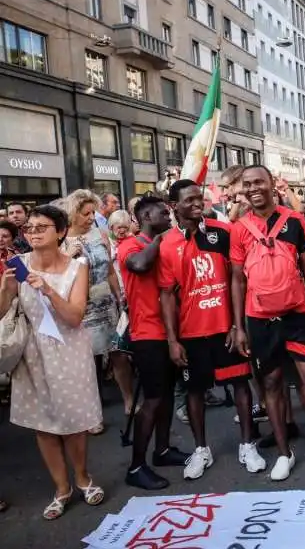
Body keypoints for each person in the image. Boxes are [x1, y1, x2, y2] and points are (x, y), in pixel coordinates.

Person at [231, 165, 305, 481]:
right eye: (248, 184)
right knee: (270, 383)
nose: (254, 188)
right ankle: (284, 453)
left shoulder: (295, 221)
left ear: (272, 184)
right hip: (259, 318)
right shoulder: (239, 228)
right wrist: (239, 326)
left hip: (297, 313)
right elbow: (237, 280)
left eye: (259, 182)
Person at [0, 205, 104, 520]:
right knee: (43, 424)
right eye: (28, 228)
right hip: (32, 353)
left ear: (59, 232)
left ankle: (83, 478)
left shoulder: (77, 266)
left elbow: (74, 317)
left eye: (41, 227)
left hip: (69, 350)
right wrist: (6, 289)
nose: (32, 233)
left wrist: (46, 289)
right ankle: (62, 489)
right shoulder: (16, 264)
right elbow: (2, 312)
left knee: (74, 421)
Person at [160, 179, 265, 480]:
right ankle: (201, 449)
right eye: (189, 200)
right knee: (195, 391)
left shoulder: (222, 232)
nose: (197, 203)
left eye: (199, 198)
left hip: (226, 329)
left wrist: (237, 324)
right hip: (191, 332)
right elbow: (166, 294)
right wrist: (172, 340)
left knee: (241, 385)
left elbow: (237, 278)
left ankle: (247, 445)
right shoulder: (167, 244)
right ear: (173, 206)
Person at [117, 197, 190, 490]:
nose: (169, 215)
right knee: (153, 398)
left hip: (170, 330)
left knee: (167, 395)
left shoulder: (161, 242)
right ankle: (136, 466)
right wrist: (161, 238)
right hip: (147, 333)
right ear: (146, 215)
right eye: (163, 212)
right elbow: (138, 265)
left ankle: (162, 450)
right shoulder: (131, 245)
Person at [63, 190, 132, 429]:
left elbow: (110, 270)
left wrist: (119, 296)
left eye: (93, 212)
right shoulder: (62, 239)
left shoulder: (101, 233)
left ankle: (129, 400)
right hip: (80, 303)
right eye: (86, 213)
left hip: (106, 299)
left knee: (119, 354)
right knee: (87, 361)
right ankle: (93, 414)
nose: (92, 217)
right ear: (73, 213)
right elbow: (58, 277)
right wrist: (68, 256)